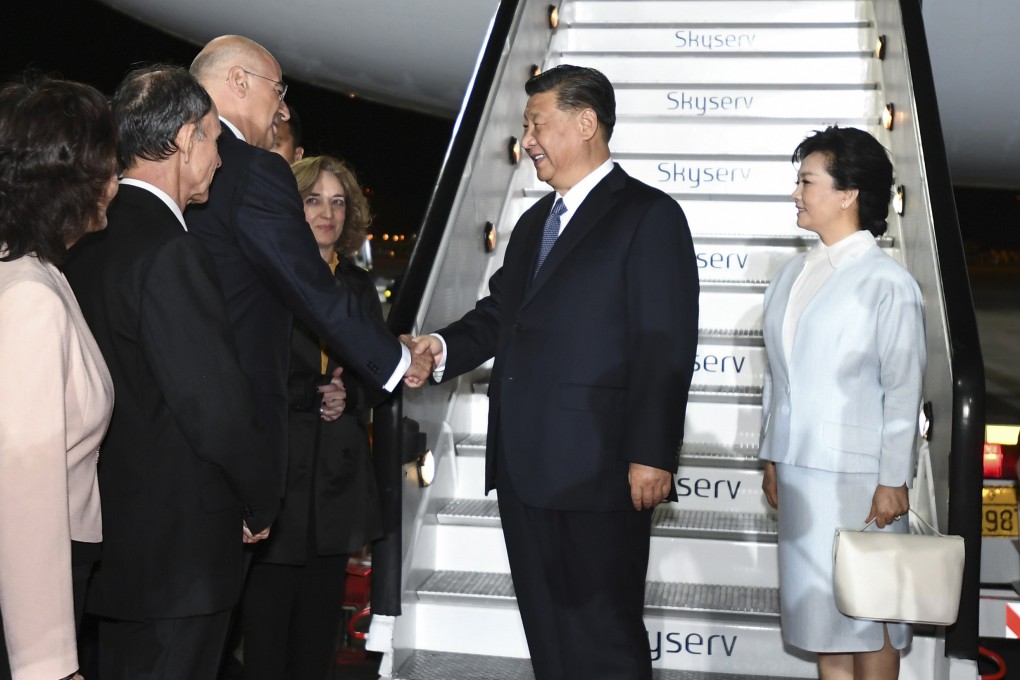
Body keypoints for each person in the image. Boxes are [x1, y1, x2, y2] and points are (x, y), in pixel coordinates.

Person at [408, 65, 699, 680]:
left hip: (601, 472)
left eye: (537, 123)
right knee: (549, 639)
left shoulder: (649, 216)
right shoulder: (536, 223)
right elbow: (499, 316)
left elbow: (664, 343)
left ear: (586, 123)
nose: (528, 139)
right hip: (523, 469)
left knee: (604, 638)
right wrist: (438, 347)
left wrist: (653, 452)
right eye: (526, 126)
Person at [63, 65, 281, 680]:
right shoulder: (171, 249)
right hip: (178, 557)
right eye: (214, 140)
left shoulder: (85, 239)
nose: (218, 158)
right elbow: (213, 408)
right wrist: (261, 499)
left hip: (108, 538)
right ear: (186, 140)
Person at [185, 35, 431, 498]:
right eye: (278, 91)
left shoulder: (164, 160)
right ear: (238, 81)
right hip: (233, 425)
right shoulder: (253, 169)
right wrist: (397, 359)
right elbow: (309, 284)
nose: (282, 111)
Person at [759, 126, 925, 680]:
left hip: (860, 480)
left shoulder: (887, 283)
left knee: (870, 613)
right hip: (800, 474)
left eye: (807, 181)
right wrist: (771, 456)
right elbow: (778, 378)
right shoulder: (791, 275)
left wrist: (893, 479)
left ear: (848, 193)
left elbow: (903, 389)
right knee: (821, 622)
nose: (796, 193)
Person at [241, 155, 384, 680]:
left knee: (318, 645)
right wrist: (309, 392)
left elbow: (378, 372)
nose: (328, 213)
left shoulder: (359, 286)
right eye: (313, 199)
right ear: (290, 208)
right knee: (265, 639)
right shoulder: (267, 277)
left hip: (335, 483)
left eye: (339, 202)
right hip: (279, 478)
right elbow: (249, 370)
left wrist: (353, 396)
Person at [0, 74, 117, 680]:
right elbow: (23, 486)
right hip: (38, 583)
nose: (115, 184)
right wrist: (47, 663)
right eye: (105, 168)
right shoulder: (30, 294)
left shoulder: (36, 271)